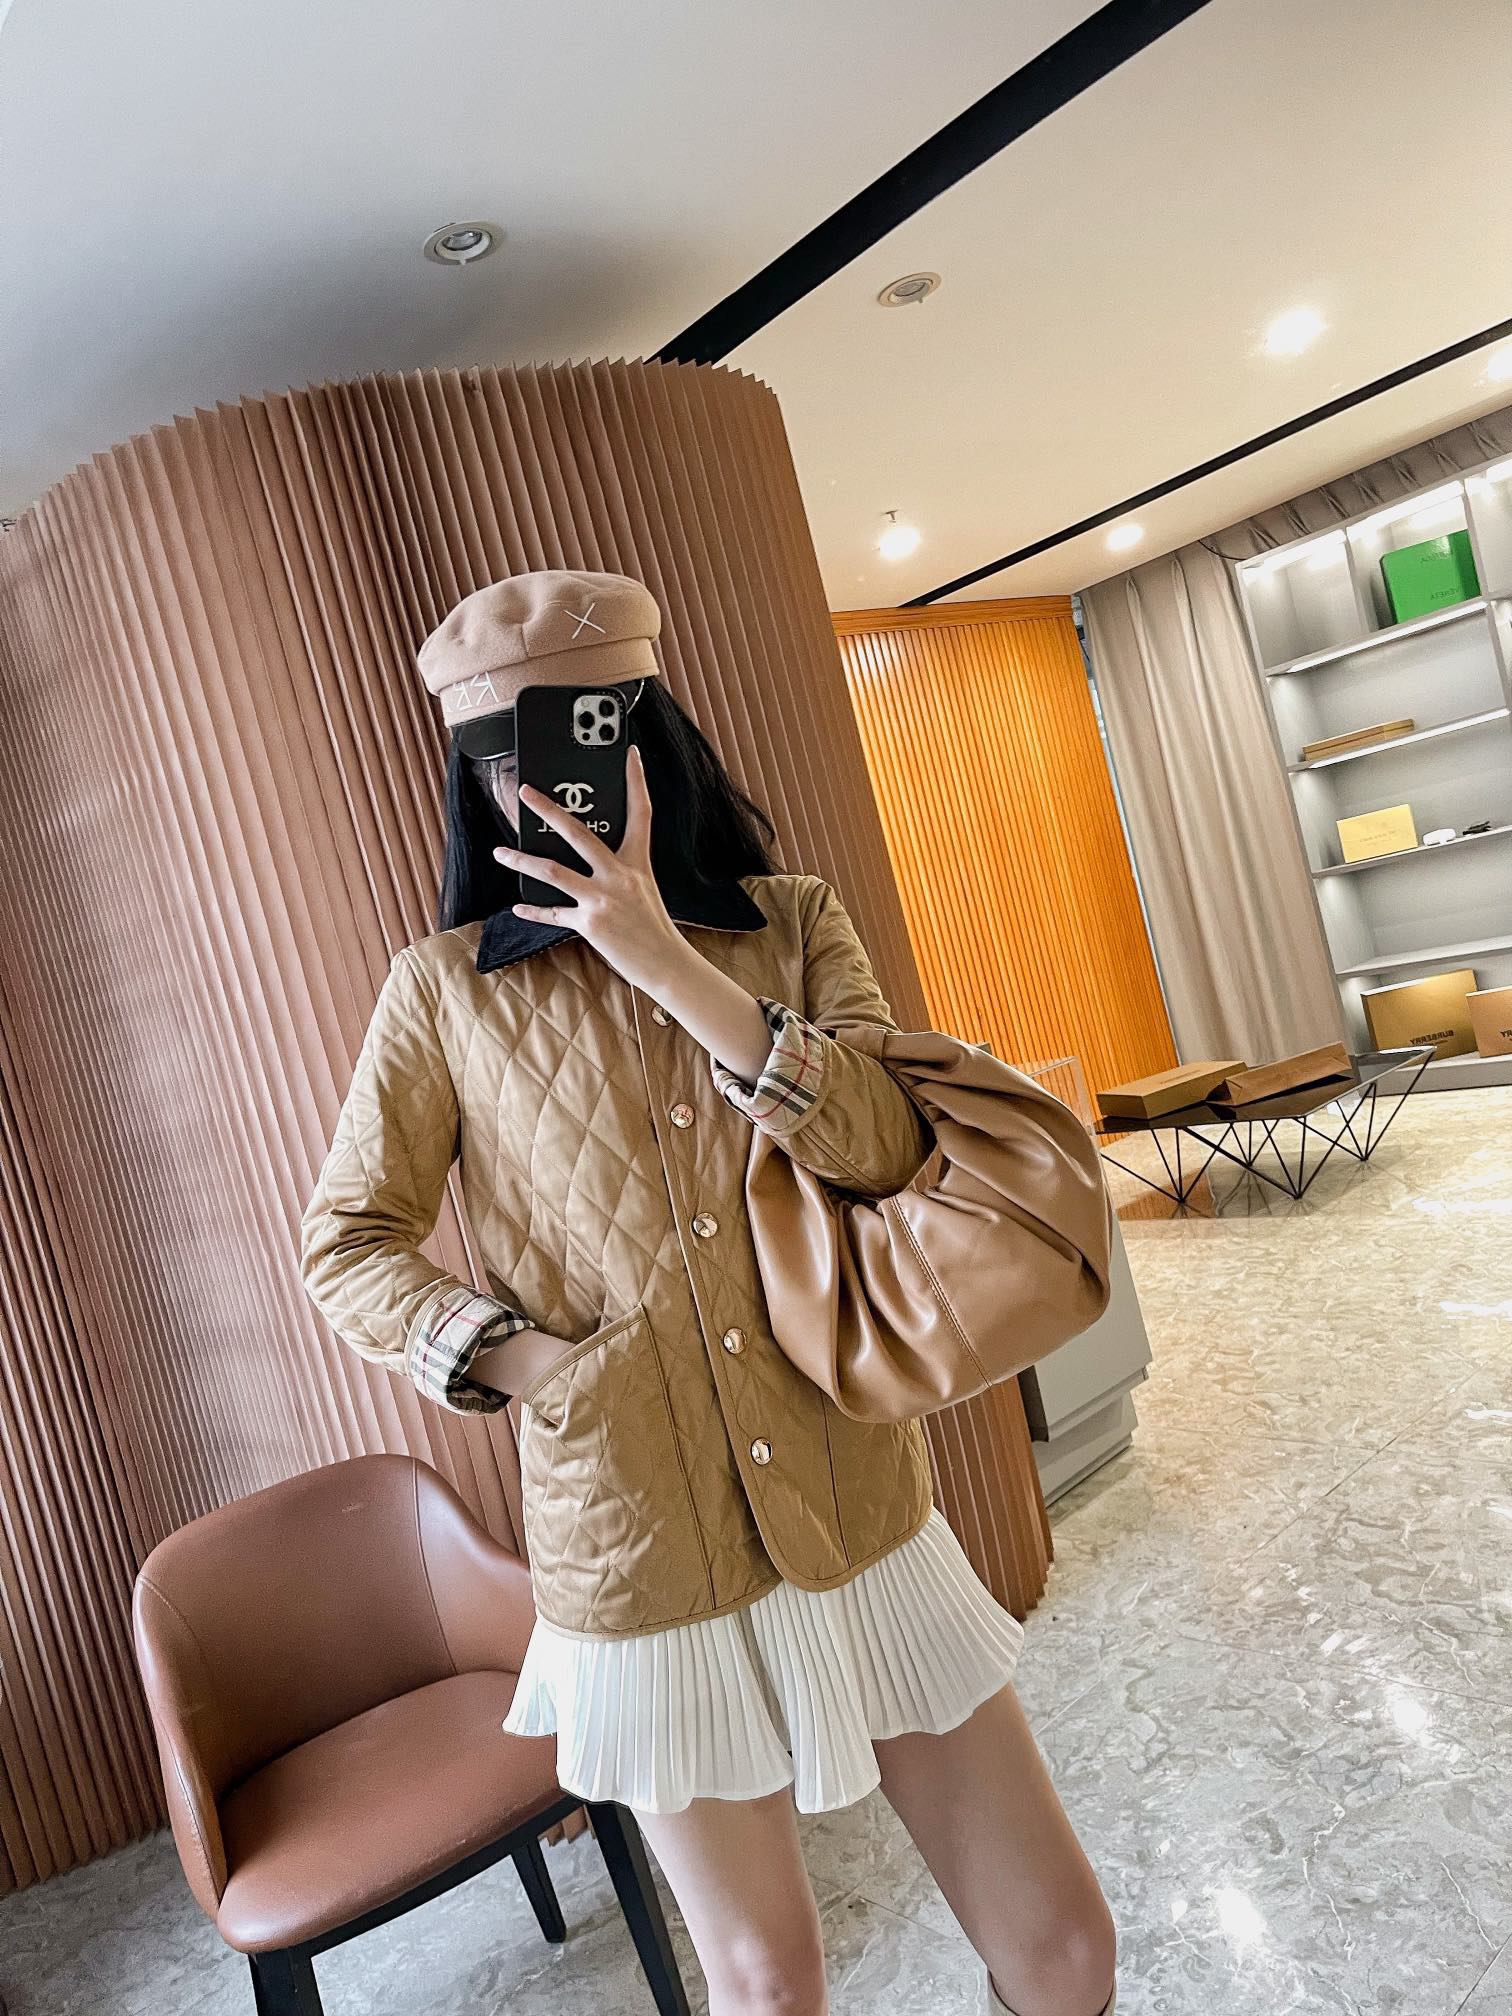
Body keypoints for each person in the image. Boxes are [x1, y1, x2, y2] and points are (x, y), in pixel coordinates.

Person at [300, 569, 1116, 2016]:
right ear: (475, 788)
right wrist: (526, 1364)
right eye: (501, 764)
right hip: (634, 1544)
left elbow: (891, 1150)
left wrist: (670, 964)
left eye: (577, 741)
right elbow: (347, 1242)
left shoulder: (792, 922)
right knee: (766, 1981)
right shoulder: (441, 991)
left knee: (1065, 1949)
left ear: (648, 736)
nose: (541, 791)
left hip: (853, 1497)